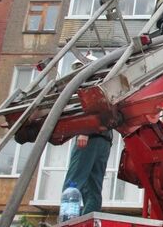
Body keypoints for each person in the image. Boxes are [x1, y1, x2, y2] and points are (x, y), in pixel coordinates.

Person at [61, 56, 113, 215]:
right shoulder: (104, 82)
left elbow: (89, 109)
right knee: (93, 189)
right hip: (104, 140)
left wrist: (84, 132)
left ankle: (68, 221)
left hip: (89, 138)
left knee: (73, 184)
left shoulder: (87, 86)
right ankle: (89, 220)